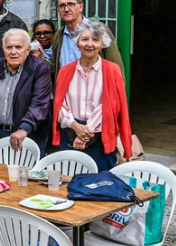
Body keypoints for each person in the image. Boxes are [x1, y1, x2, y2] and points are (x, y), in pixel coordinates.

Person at [53, 19, 132, 171]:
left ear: (103, 44)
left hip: (100, 136)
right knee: (67, 184)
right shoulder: (65, 71)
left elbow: (110, 105)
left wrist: (85, 132)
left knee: (98, 185)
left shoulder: (112, 70)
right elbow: (59, 104)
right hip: (69, 133)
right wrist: (75, 126)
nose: (90, 44)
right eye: (85, 39)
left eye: (95, 40)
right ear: (77, 42)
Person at [0, 29, 53, 153]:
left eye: (18, 47)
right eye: (9, 47)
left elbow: (40, 103)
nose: (13, 52)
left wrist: (24, 128)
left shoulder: (39, 68)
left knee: (24, 172)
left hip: (28, 134)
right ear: (3, 49)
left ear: (28, 49)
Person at [51, 0, 124, 81]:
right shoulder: (58, 36)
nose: (66, 9)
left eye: (71, 4)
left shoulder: (98, 29)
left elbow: (116, 68)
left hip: (95, 90)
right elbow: (57, 69)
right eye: (62, 6)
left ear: (81, 7)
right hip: (68, 92)